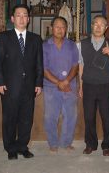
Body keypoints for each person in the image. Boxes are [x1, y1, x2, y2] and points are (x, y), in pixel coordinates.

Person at [0, 4, 43, 160]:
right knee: (9, 118)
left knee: (26, 118)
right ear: (13, 18)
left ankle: (23, 146)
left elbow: (39, 64)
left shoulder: (36, 39)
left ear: (28, 19)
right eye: (18, 15)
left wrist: (38, 83)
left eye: (25, 15)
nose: (22, 18)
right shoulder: (3, 37)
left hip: (29, 87)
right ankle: (10, 148)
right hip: (9, 86)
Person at [78, 15, 109, 156]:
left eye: (101, 25)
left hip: (105, 86)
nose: (98, 27)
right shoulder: (82, 44)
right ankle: (90, 144)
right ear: (92, 26)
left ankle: (107, 146)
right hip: (88, 86)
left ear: (106, 28)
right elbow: (81, 66)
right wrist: (80, 86)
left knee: (106, 117)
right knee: (89, 117)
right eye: (95, 24)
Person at [43, 17, 79, 153]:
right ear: (52, 28)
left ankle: (66, 142)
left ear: (66, 29)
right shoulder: (45, 46)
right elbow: (44, 69)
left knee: (71, 115)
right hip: (51, 86)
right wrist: (58, 82)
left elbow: (75, 65)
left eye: (63, 26)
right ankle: (53, 143)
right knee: (50, 116)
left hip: (70, 85)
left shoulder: (72, 45)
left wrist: (66, 81)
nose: (59, 29)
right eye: (57, 26)